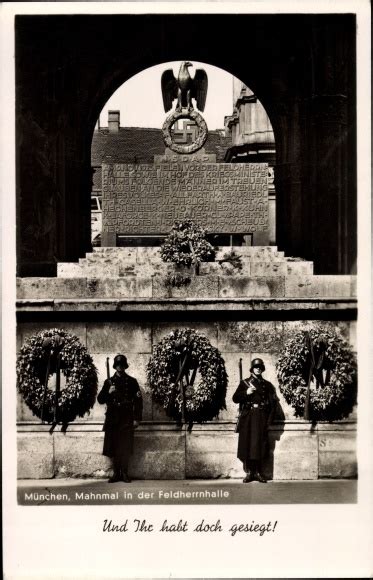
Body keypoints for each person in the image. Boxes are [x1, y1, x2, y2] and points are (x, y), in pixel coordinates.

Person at [97, 354, 143, 483]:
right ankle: (116, 473)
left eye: (122, 364)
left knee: (125, 447)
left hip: (126, 418)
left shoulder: (132, 381)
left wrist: (137, 418)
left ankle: (125, 473)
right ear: (115, 366)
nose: (120, 367)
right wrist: (108, 392)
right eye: (118, 365)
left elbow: (138, 401)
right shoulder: (108, 382)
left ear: (125, 366)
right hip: (112, 418)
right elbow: (100, 400)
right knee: (113, 447)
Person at [233, 358, 277, 483]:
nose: (258, 369)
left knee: (259, 445)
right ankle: (249, 473)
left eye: (260, 367)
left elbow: (272, 404)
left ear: (262, 369)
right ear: (252, 369)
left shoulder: (267, 385)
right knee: (247, 444)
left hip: (261, 416)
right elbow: (235, 398)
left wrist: (269, 421)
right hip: (248, 417)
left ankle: (258, 472)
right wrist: (246, 393)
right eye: (256, 367)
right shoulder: (245, 383)